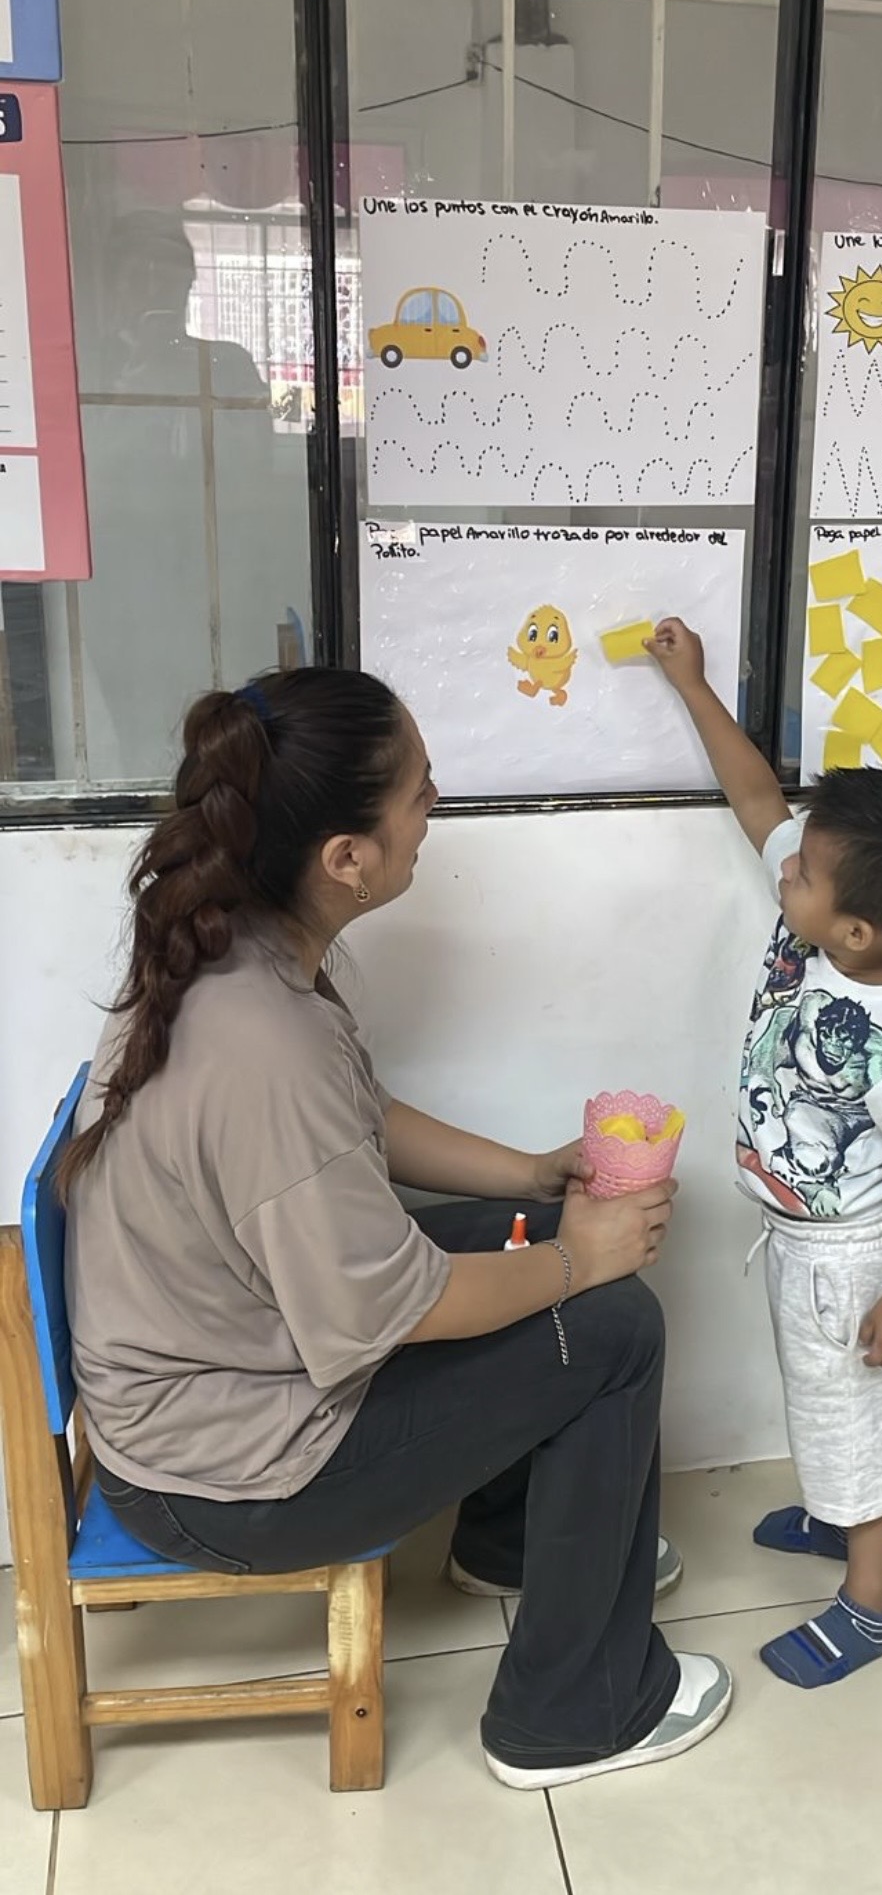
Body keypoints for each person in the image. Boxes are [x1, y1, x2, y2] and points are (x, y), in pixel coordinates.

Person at [61, 667, 732, 1786]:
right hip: (228, 1482)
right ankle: (572, 1715)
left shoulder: (225, 947)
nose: (434, 809)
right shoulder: (263, 1043)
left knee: (520, 1228)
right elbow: (392, 1305)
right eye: (420, 793)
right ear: (346, 857)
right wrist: (579, 1257)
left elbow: (355, 1120)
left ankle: (514, 1544)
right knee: (614, 1330)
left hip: (217, 1390)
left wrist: (534, 1177)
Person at [647, 617, 882, 1689]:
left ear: (853, 931)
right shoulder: (826, 926)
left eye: (800, 870)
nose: (783, 866)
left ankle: (866, 1605)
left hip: (852, 1260)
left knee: (859, 1422)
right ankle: (831, 1512)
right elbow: (758, 799)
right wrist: (692, 685)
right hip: (798, 1241)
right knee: (822, 1402)